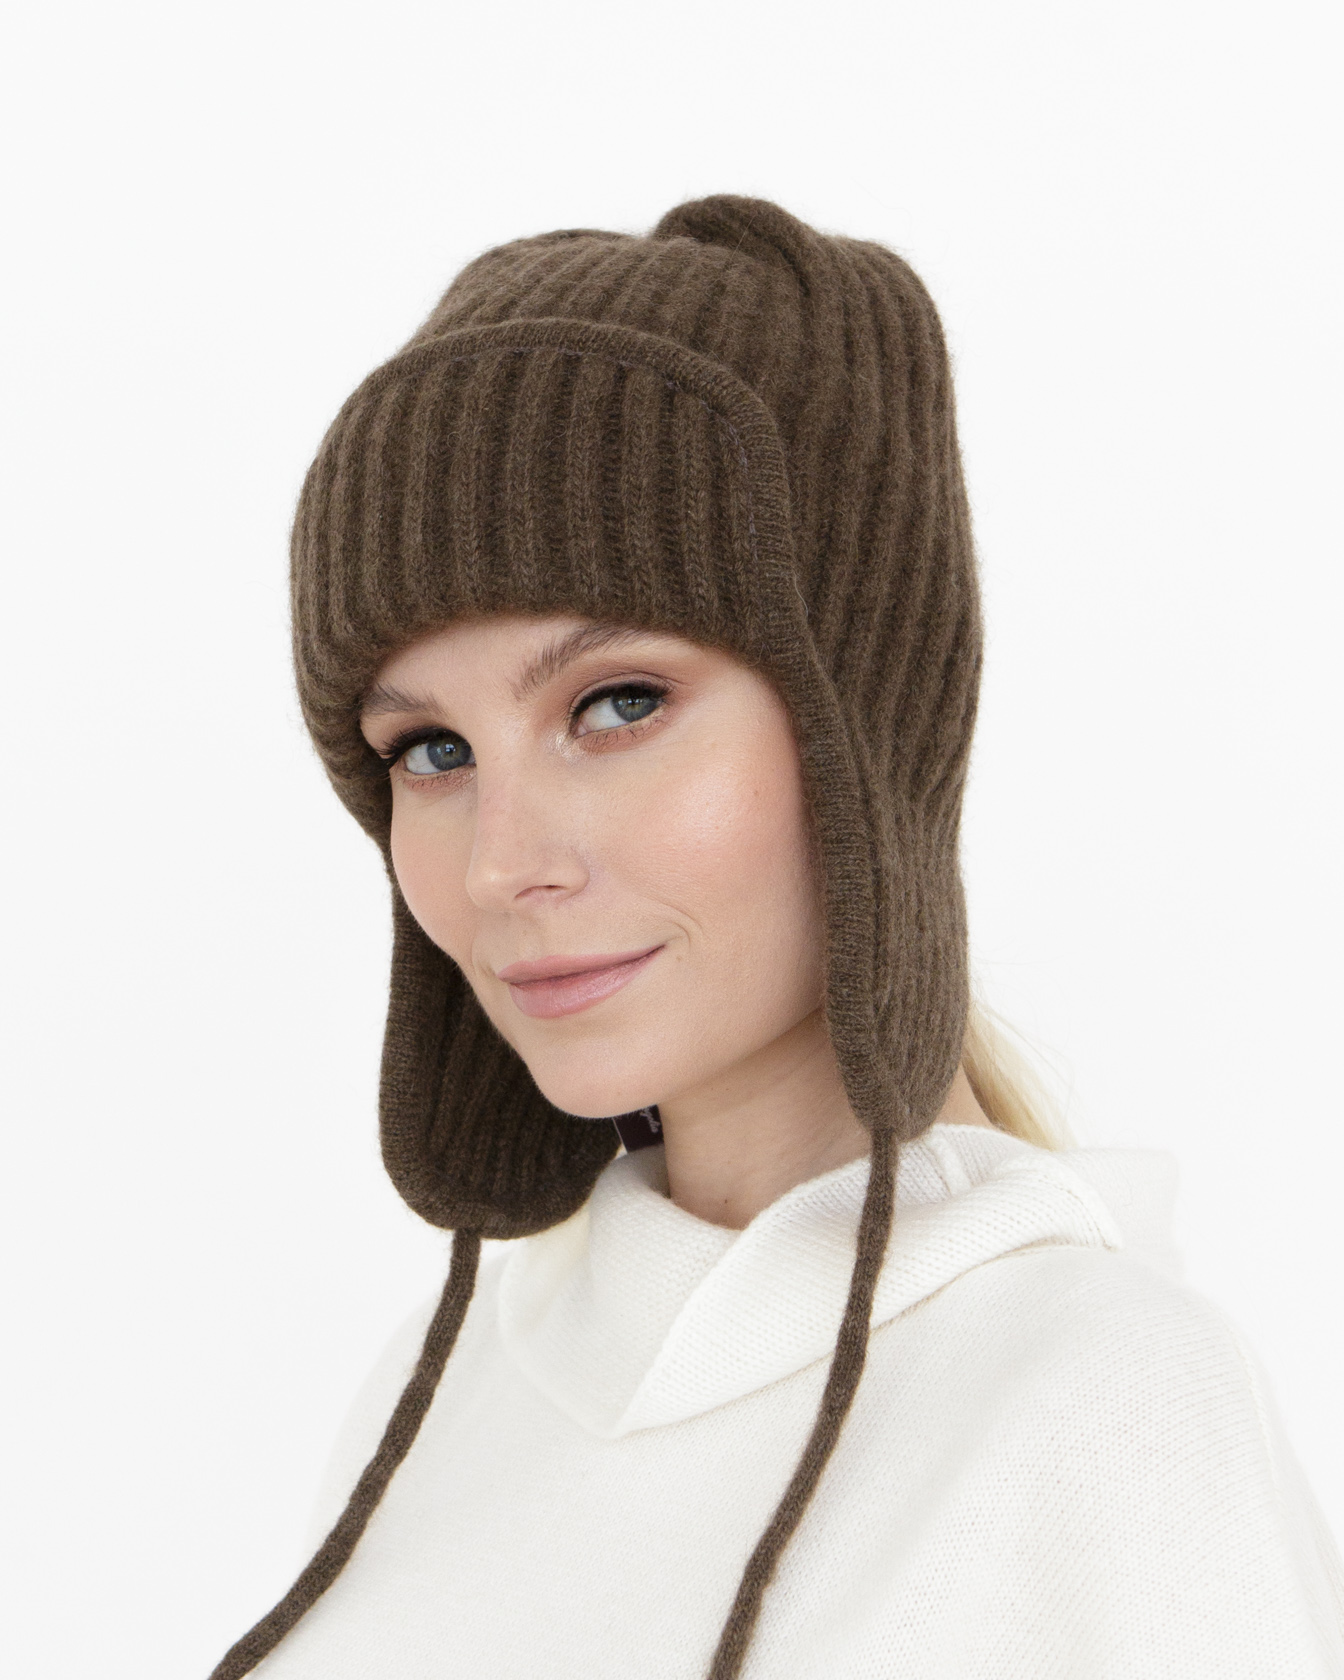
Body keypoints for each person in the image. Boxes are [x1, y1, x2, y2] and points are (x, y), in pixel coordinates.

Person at [210, 195, 1344, 1679]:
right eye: (431, 751)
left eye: (616, 704)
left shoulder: (1104, 1411)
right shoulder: (455, 1383)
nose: (500, 866)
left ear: (861, 726)